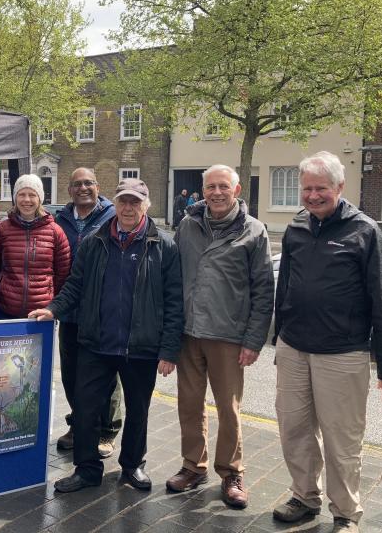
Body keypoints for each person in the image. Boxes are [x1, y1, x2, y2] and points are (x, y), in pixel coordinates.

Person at [272, 151, 382, 533]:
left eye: (321, 189)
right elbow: (287, 287)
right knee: (294, 429)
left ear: (339, 187)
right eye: (307, 188)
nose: (313, 196)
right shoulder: (296, 230)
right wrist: (280, 339)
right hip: (294, 349)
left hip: (343, 354)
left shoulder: (365, 232)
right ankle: (303, 497)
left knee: (341, 441)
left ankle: (346, 513)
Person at [30, 179, 183, 493]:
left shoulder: (164, 246)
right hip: (96, 343)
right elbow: (75, 284)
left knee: (138, 410)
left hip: (141, 346)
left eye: (135, 202)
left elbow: (173, 300)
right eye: (123, 201)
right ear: (115, 203)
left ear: (146, 205)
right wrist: (53, 309)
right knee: (86, 409)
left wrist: (169, 349)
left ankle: (132, 467)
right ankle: (87, 470)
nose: (128, 208)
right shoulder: (94, 241)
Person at [166, 165, 274, 510]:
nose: (216, 192)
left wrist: (254, 339)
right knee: (189, 404)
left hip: (227, 334)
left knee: (228, 408)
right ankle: (193, 466)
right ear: (202, 190)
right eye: (210, 186)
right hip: (188, 332)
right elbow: (174, 279)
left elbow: (263, 290)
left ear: (237, 189)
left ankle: (231, 472)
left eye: (223, 186)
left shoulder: (254, 232)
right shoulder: (188, 225)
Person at [54, 168, 122, 458]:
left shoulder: (112, 217)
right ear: (69, 190)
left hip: (102, 311)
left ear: (98, 186)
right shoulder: (60, 220)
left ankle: (106, 431)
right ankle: (80, 424)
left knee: (106, 374)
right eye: (77, 184)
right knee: (71, 373)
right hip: (69, 311)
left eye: (88, 183)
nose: (83, 188)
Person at [0, 174, 71, 320]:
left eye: (32, 195)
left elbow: (63, 273)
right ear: (15, 198)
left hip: (41, 314)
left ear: (40, 198)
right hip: (5, 310)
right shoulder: (1, 230)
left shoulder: (55, 232)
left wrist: (52, 304)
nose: (27, 200)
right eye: (21, 194)